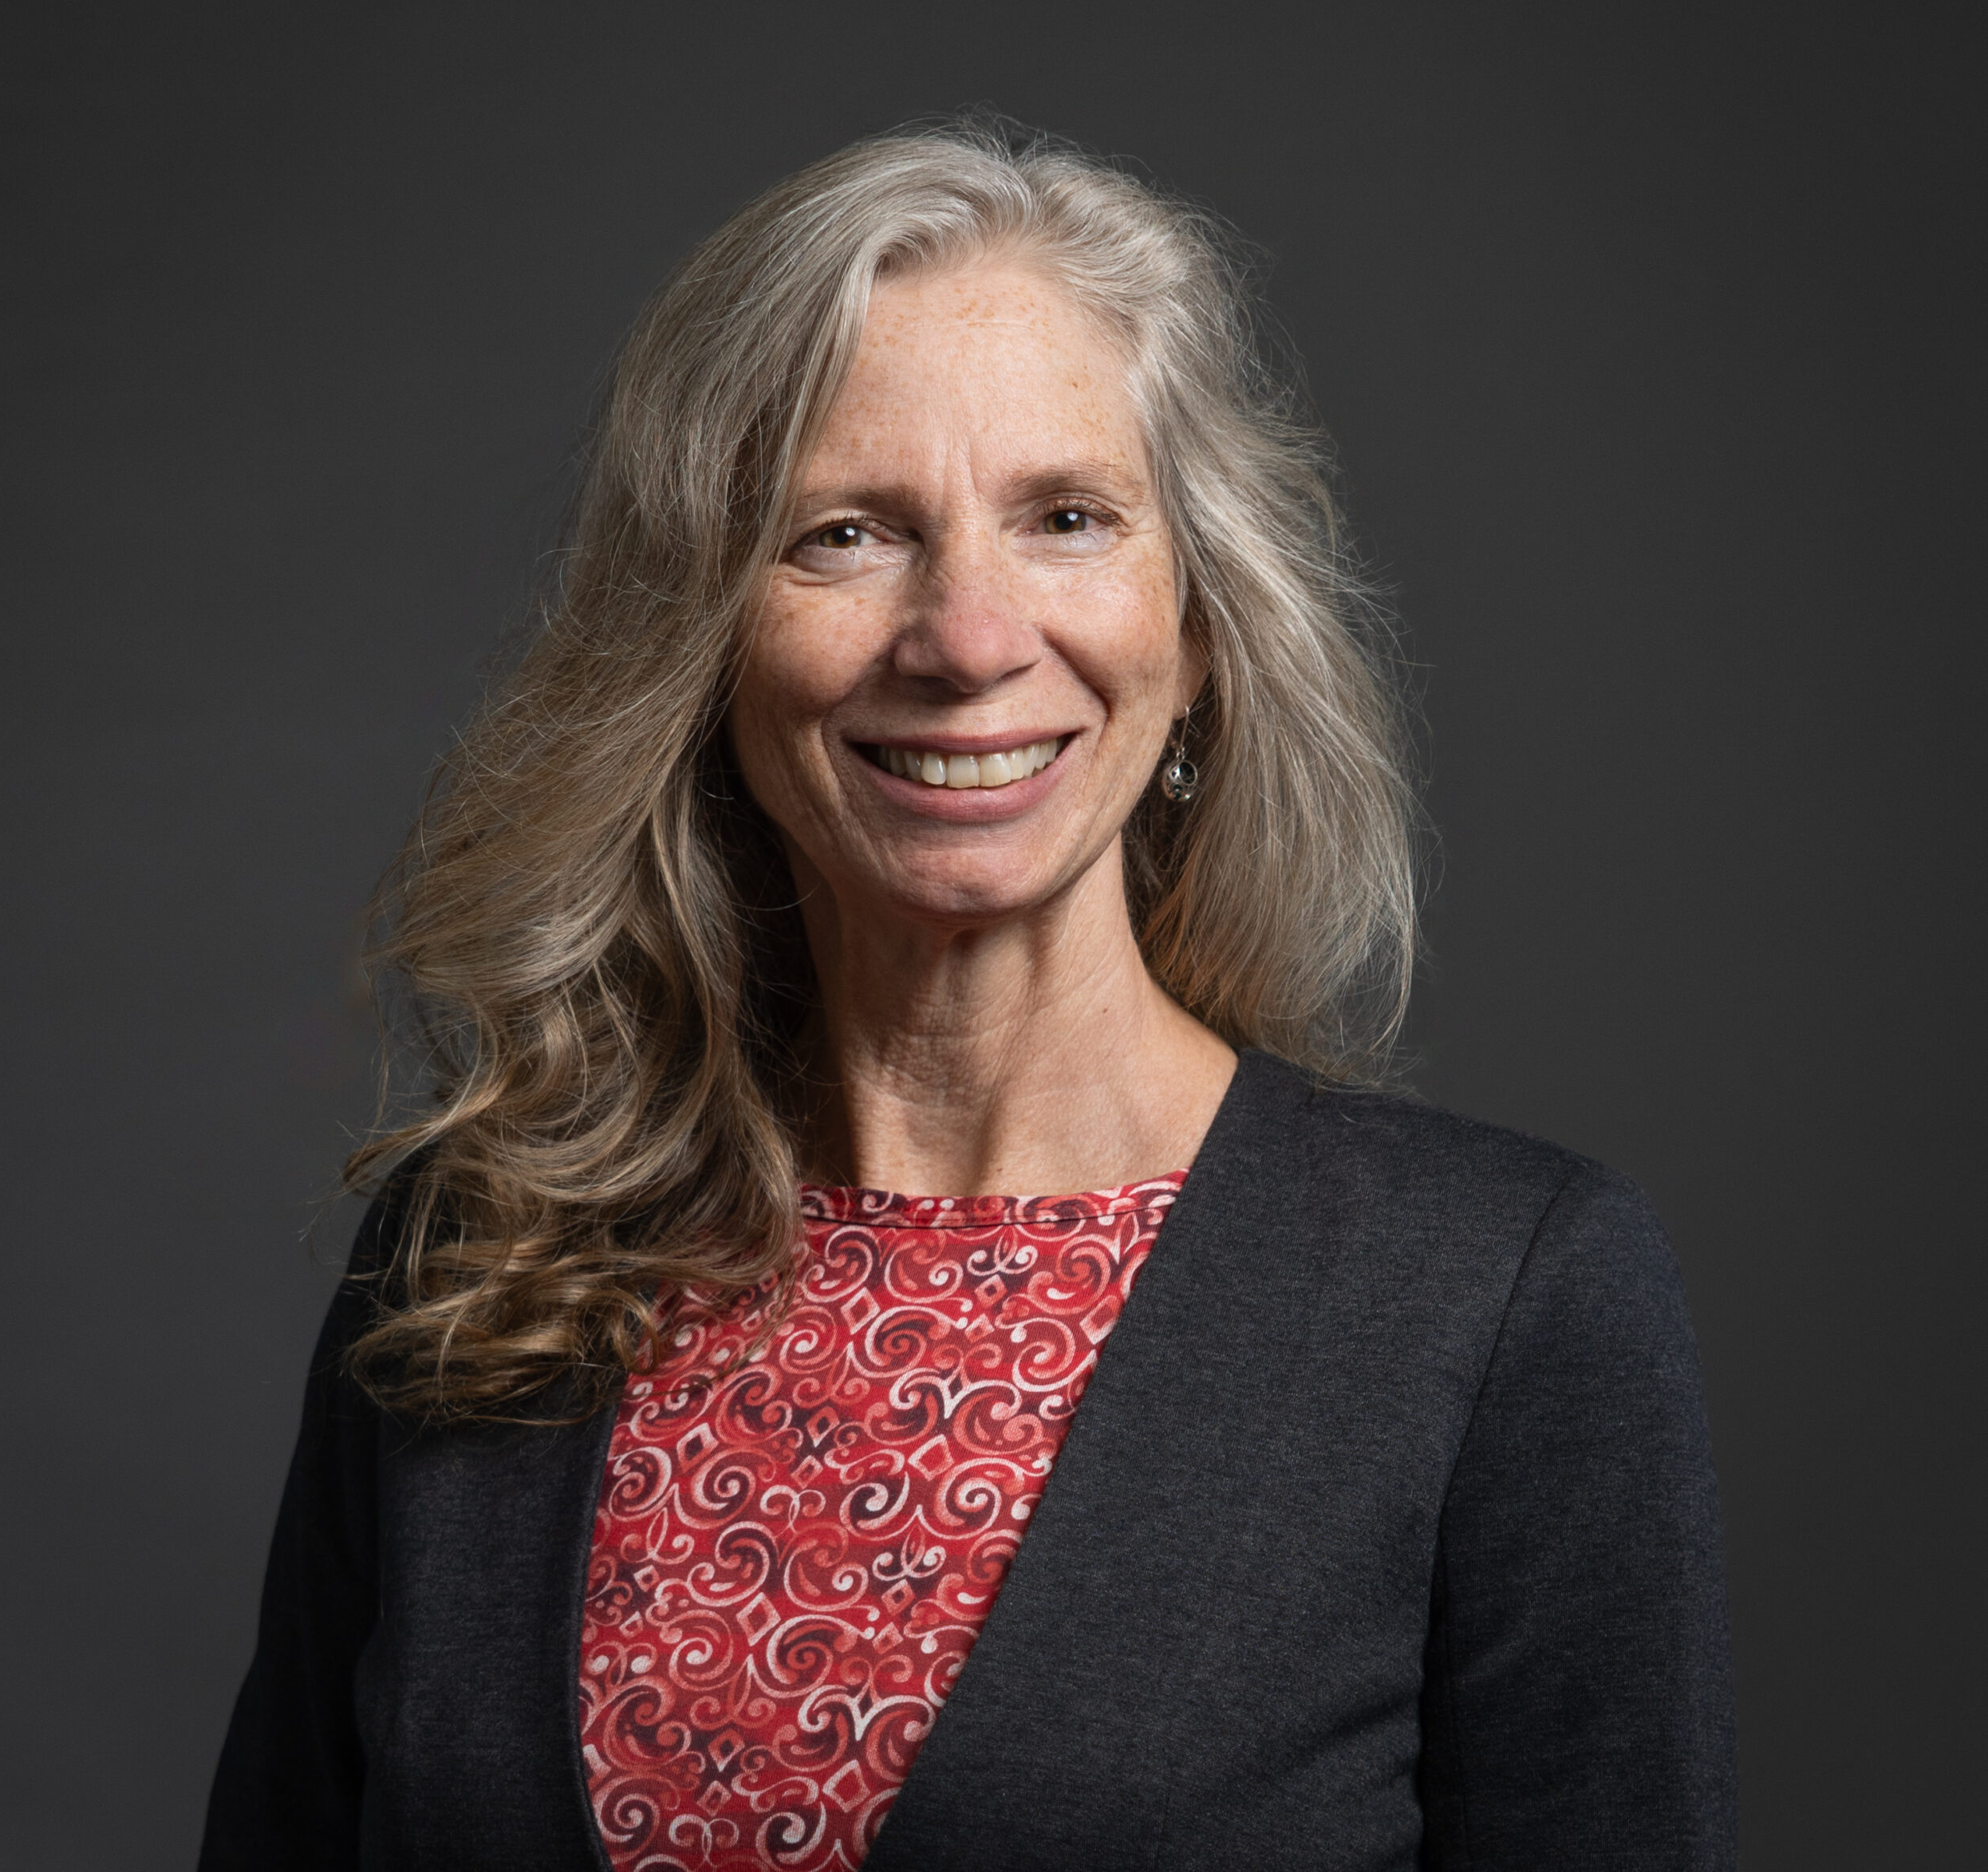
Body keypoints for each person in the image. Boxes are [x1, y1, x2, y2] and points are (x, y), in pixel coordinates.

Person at [199, 122, 1735, 1870]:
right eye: (845, 533)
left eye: (1067, 518)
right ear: (703, 640)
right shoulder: (474, 1260)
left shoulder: (1502, 1306)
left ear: (1200, 623)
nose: (967, 635)